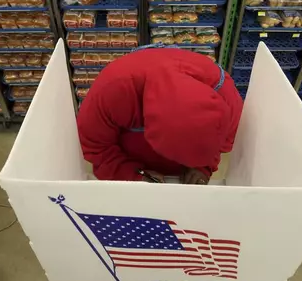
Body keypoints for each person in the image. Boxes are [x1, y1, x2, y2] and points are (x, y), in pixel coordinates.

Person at [76, 47, 243, 185]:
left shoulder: (229, 103)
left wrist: (202, 167)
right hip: (128, 159)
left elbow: (218, 148)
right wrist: (131, 174)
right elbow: (96, 147)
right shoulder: (112, 92)